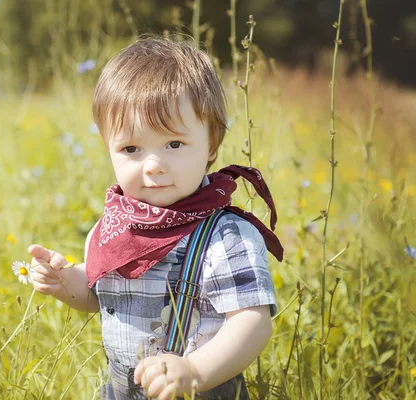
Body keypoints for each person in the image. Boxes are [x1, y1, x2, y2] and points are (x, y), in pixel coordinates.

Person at [27, 36, 283, 400]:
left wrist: (196, 371)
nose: (154, 166)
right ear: (108, 149)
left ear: (211, 143)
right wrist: (64, 280)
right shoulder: (114, 227)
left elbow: (252, 322)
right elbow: (97, 294)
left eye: (174, 145)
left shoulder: (225, 237)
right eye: (131, 148)